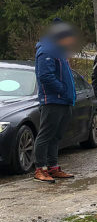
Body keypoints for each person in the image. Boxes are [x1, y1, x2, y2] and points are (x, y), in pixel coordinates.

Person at [33, 20, 78, 183]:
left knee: (56, 136)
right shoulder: (46, 50)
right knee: (46, 135)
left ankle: (52, 167)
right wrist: (62, 90)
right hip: (53, 101)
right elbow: (45, 76)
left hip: (64, 100)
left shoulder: (59, 51)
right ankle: (40, 168)